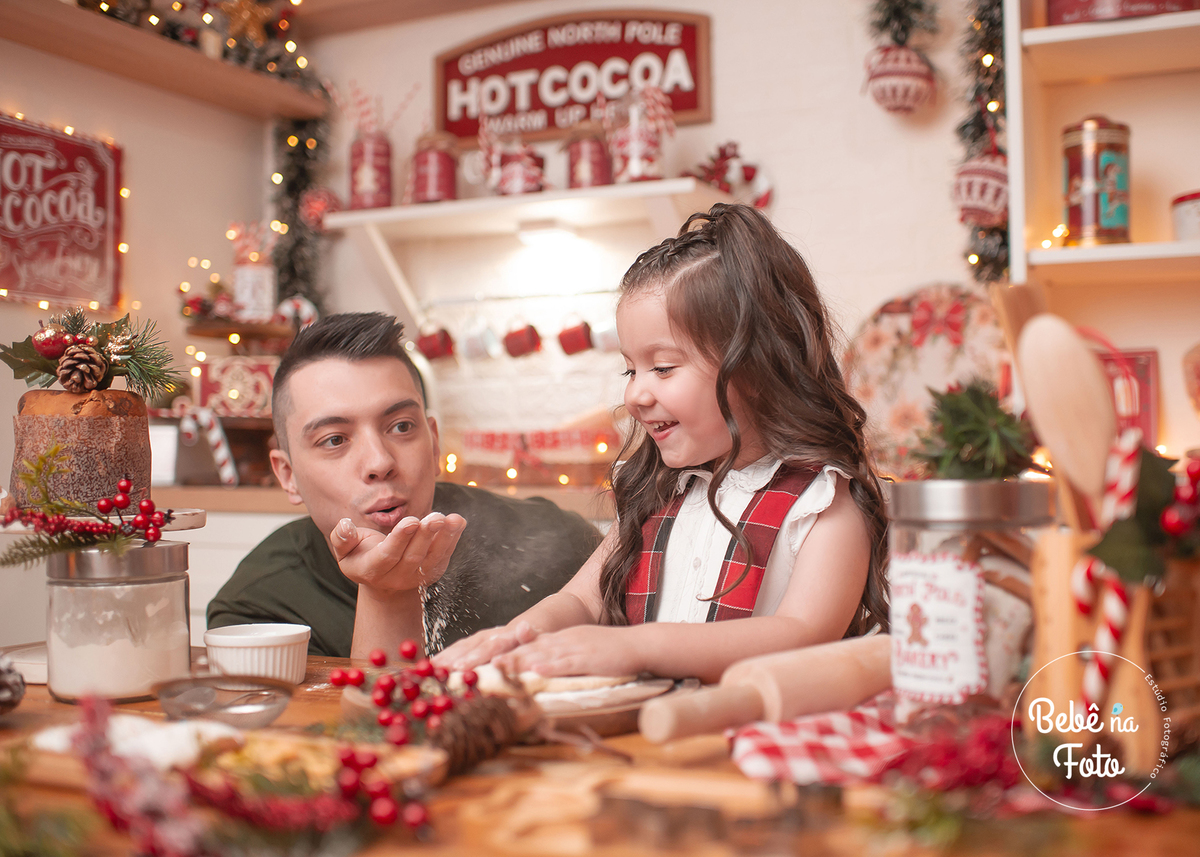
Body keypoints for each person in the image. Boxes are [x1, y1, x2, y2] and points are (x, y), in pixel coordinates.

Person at [435, 203, 889, 684]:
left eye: (664, 367)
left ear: (755, 366)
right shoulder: (662, 492)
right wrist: (518, 636)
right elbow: (579, 599)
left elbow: (801, 635)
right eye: (630, 369)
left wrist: (633, 647)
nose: (635, 394)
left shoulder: (823, 504)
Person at [206, 313, 601, 659]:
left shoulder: (560, 543)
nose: (380, 463)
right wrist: (386, 592)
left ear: (433, 441)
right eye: (335, 440)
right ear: (288, 475)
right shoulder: (258, 611)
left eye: (401, 427)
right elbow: (354, 736)